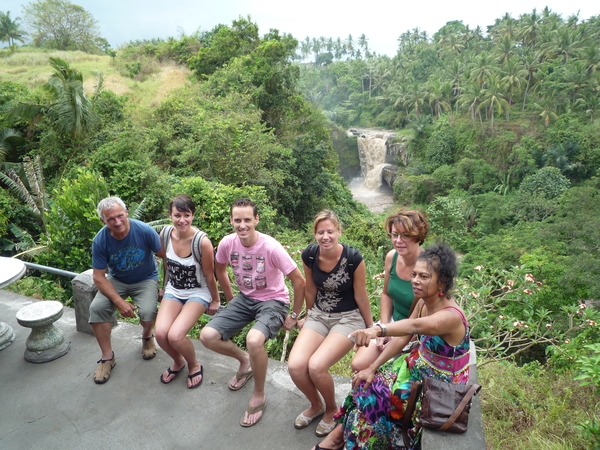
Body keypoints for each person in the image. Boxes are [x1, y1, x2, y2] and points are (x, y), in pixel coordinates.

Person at [312, 243, 471, 450]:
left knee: (376, 398)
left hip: (439, 383)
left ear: (442, 282)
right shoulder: (424, 302)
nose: (415, 281)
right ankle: (337, 438)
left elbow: (414, 325)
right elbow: (405, 336)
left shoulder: (450, 316)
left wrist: (377, 330)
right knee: (365, 382)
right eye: (414, 274)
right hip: (416, 366)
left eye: (424, 277)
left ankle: (350, 442)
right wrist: (372, 367)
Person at [200, 198, 305, 427]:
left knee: (254, 339)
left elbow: (299, 281)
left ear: (256, 219)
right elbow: (220, 269)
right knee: (207, 336)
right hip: (245, 298)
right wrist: (229, 299)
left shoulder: (270, 247)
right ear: (231, 221)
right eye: (237, 220)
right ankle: (245, 361)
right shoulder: (228, 243)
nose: (242, 225)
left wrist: (294, 315)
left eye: (248, 219)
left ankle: (259, 393)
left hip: (273, 301)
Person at [288, 210, 373, 437]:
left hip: (348, 317)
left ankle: (332, 409)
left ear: (339, 232)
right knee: (295, 366)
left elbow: (361, 295)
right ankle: (316, 405)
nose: (326, 236)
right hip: (318, 315)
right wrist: (307, 315)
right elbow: (310, 288)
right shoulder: (310, 255)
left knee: (316, 366)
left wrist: (370, 327)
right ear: (315, 234)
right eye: (320, 232)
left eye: (330, 231)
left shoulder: (354, 258)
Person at [89, 197, 162, 384]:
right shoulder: (100, 240)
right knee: (97, 308)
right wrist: (119, 302)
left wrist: (165, 285)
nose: (117, 222)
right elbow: (98, 276)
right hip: (117, 279)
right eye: (110, 219)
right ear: (103, 221)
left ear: (126, 212)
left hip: (146, 278)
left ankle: (147, 336)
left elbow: (166, 257)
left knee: (147, 311)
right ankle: (107, 357)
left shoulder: (144, 230)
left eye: (120, 216)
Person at [351, 209, 429, 373]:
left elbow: (420, 322)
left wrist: (391, 334)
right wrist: (384, 328)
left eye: (405, 235)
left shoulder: (428, 267)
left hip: (415, 332)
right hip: (391, 323)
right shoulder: (392, 257)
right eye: (395, 235)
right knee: (358, 365)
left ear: (418, 236)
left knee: (389, 374)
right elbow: (386, 294)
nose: (399, 241)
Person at [155, 195, 220, 389]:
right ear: (170, 216)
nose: (182, 220)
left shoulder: (202, 242)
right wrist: (164, 285)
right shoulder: (165, 234)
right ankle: (178, 361)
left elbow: (210, 275)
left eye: (186, 215)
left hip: (197, 292)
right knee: (160, 334)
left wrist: (215, 300)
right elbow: (166, 262)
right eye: (177, 215)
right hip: (173, 289)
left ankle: (194, 364)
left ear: (193, 216)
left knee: (175, 335)